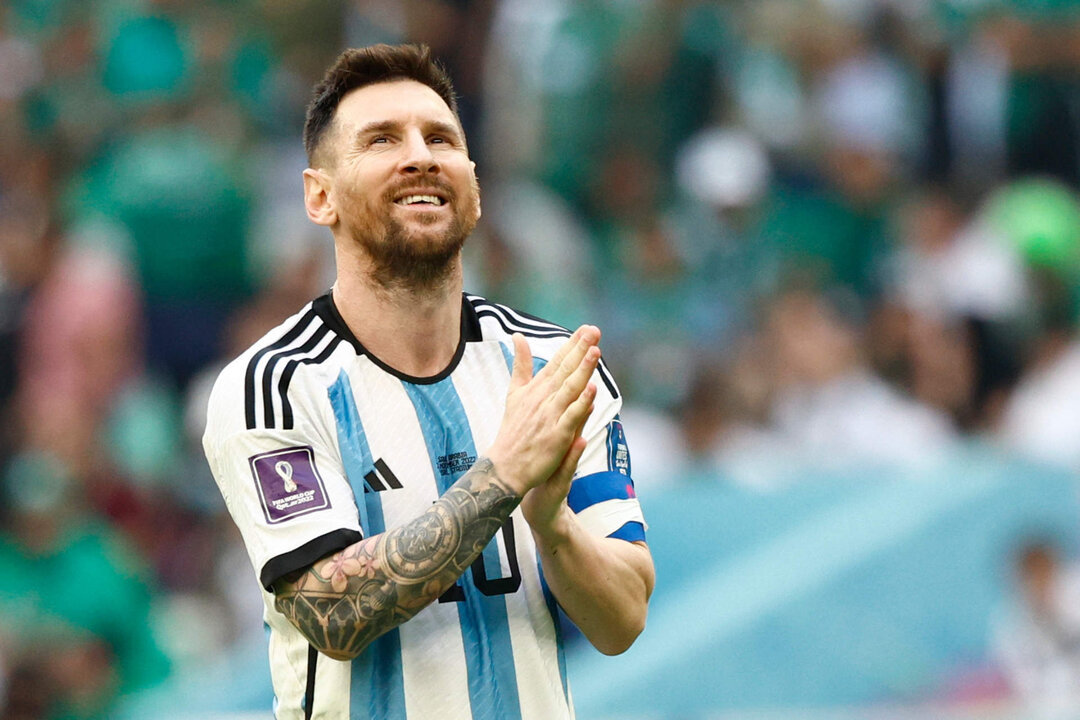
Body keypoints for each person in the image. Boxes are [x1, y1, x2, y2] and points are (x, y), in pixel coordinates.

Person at [202, 43, 654, 719]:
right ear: (319, 196)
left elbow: (622, 621)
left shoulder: (554, 367)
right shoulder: (273, 385)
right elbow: (331, 612)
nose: (421, 155)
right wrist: (501, 479)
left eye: (440, 137)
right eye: (382, 140)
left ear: (472, 185)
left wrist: (552, 526)